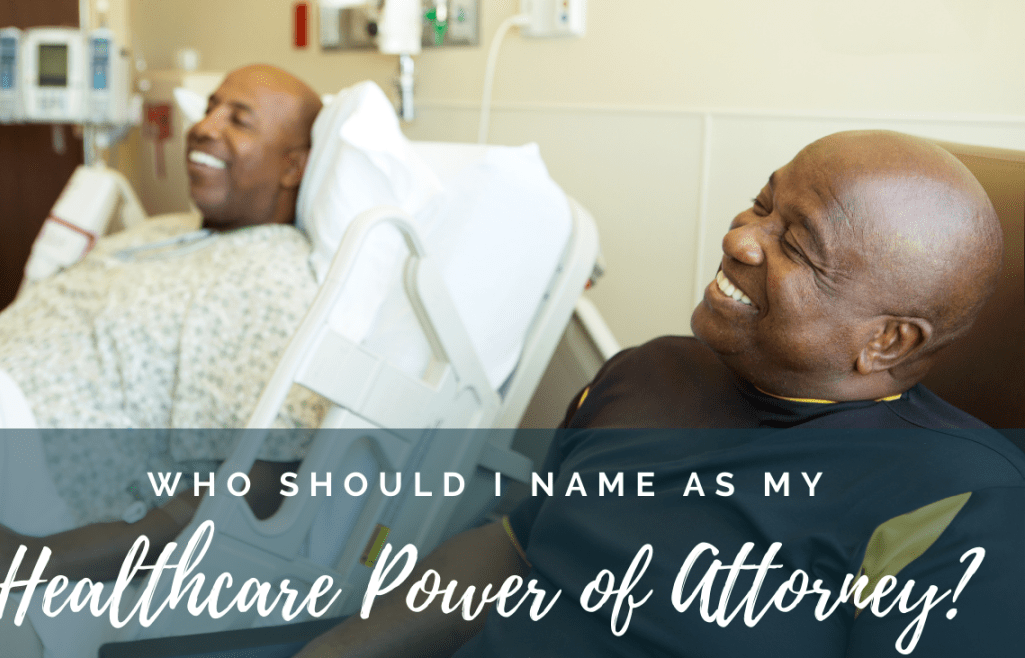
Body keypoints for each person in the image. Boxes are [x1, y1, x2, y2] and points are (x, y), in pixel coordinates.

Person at [292, 131, 1024, 657]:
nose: (741, 239)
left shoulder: (959, 501)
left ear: (889, 341)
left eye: (796, 246)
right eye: (760, 204)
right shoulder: (647, 374)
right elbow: (515, 545)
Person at [0, 64, 328, 657]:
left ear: (293, 166)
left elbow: (250, 480)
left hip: (7, 443)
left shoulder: (275, 276)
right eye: (209, 108)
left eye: (239, 119)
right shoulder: (160, 230)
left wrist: (34, 559)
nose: (202, 127)